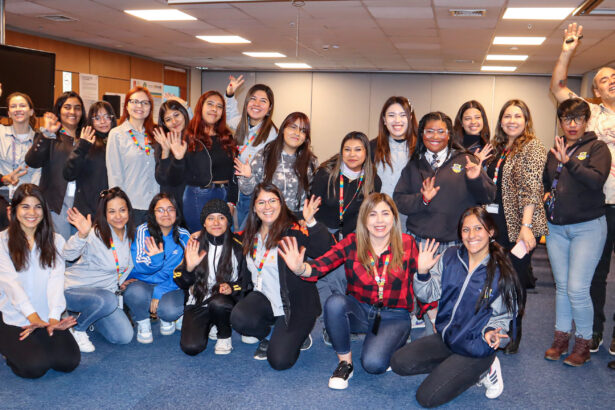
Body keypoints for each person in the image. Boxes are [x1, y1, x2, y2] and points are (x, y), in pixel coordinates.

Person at [279, 193, 418, 389]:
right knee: (335, 303)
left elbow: (420, 284)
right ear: (364, 219)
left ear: (394, 217)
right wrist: (300, 268)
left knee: (374, 365)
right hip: (361, 310)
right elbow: (323, 264)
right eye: (372, 214)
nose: (379, 220)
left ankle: (394, 339)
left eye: (385, 214)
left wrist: (425, 279)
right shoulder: (353, 242)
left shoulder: (407, 243)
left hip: (394, 315)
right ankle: (345, 363)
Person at [390, 207, 524, 407]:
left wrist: (491, 333)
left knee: (426, 398)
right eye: (466, 229)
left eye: (478, 228)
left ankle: (486, 367)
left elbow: (504, 317)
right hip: (448, 338)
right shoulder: (450, 256)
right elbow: (427, 294)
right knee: (399, 362)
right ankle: (456, 367)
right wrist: (423, 272)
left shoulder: (501, 271)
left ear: (490, 231)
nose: (471, 235)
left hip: (476, 346)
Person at [550, 22, 615, 357]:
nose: (611, 80)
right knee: (592, 279)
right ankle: (592, 336)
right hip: (602, 205)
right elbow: (558, 85)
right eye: (604, 79)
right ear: (596, 91)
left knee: (580, 283)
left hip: (591, 209)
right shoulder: (589, 115)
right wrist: (567, 49)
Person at [230, 183, 331, 370]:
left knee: (279, 361)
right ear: (254, 207)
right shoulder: (250, 235)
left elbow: (326, 250)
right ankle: (271, 334)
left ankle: (300, 334)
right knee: (239, 318)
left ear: (281, 203)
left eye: (272, 201)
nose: (267, 207)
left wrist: (311, 223)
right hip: (266, 299)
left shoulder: (294, 230)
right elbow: (226, 240)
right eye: (261, 202)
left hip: (295, 304)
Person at [543, 98, 611, 366]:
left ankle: (583, 342)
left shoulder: (597, 148)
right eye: (567, 119)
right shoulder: (554, 149)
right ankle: (561, 338)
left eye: (578, 119)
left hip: (588, 227)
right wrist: (547, 192)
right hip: (557, 228)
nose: (572, 125)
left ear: (586, 122)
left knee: (577, 288)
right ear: (560, 121)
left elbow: (596, 181)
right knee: (562, 287)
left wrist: (569, 162)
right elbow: (547, 182)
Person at [484, 99, 547, 354]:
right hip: (496, 224)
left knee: (516, 280)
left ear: (526, 120)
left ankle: (513, 333)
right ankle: (496, 328)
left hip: (520, 225)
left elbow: (531, 189)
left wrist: (526, 226)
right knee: (497, 279)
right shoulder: (499, 147)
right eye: (507, 116)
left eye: (517, 116)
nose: (512, 120)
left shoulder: (532, 147)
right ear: (501, 121)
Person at [0, 183, 80, 378]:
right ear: (13, 210)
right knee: (34, 367)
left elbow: (55, 283)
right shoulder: (2, 241)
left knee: (68, 361)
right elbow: (12, 286)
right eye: (25, 206)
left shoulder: (55, 241)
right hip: (15, 317)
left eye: (37, 206)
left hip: (45, 317)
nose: (32, 212)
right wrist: (33, 319)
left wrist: (53, 319)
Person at [310, 131, 381, 336]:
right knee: (323, 279)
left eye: (358, 150)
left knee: (342, 278)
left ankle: (337, 319)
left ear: (366, 153)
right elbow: (313, 207)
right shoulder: (326, 174)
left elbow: (369, 215)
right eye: (347, 149)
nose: (352, 154)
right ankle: (327, 324)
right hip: (323, 233)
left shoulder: (372, 180)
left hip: (352, 237)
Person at [393, 111, 495, 251]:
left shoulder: (466, 160)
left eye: (441, 131)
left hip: (456, 244)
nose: (435, 136)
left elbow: (489, 196)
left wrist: (475, 179)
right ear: (422, 134)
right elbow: (399, 200)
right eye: (429, 131)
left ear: (449, 135)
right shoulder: (414, 165)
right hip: (419, 243)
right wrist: (422, 199)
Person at [63, 187, 136, 352]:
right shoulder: (95, 233)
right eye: (112, 211)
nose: (118, 216)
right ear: (105, 214)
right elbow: (67, 255)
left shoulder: (131, 235)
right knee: (108, 300)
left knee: (123, 337)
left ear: (129, 212)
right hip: (73, 290)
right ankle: (78, 329)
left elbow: (123, 265)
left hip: (103, 295)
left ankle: (87, 315)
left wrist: (121, 281)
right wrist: (81, 235)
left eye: (122, 210)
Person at [174, 199, 244, 356]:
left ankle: (224, 334)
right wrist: (189, 269)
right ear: (204, 223)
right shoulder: (194, 244)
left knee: (219, 303)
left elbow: (246, 282)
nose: (216, 222)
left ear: (228, 221)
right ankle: (211, 322)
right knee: (191, 348)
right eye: (211, 218)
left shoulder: (238, 246)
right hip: (198, 301)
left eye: (221, 217)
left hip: (224, 302)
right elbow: (180, 281)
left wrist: (232, 287)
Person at [165, 91, 238, 233]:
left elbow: (234, 173)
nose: (214, 109)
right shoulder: (188, 137)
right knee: (200, 243)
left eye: (219, 106)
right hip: (198, 196)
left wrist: (232, 201)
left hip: (225, 194)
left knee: (223, 244)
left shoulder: (227, 137)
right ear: (201, 107)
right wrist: (178, 159)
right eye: (210, 104)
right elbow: (173, 179)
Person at [124, 193, 189, 343]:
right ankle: (143, 322)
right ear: (153, 213)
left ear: (176, 212)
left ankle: (167, 317)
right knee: (134, 292)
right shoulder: (142, 231)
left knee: (170, 311)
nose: (166, 214)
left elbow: (184, 273)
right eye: (160, 210)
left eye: (170, 209)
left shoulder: (184, 235)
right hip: (144, 284)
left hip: (170, 285)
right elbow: (140, 267)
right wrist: (156, 261)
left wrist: (160, 291)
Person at [25, 91, 87, 239]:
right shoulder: (51, 136)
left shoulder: (87, 137)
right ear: (59, 110)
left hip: (83, 203)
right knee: (59, 251)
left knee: (81, 250)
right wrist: (46, 134)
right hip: (57, 204)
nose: (72, 112)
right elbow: (32, 161)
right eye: (67, 107)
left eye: (77, 108)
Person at [235, 112, 318, 215]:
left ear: (306, 137)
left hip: (298, 220)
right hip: (268, 217)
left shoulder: (311, 161)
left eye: (303, 130)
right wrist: (247, 178)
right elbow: (248, 191)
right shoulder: (264, 156)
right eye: (293, 127)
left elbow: (313, 194)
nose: (297, 133)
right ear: (283, 129)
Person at [225, 75, 278, 229]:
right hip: (239, 193)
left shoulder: (272, 134)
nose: (256, 104)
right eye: (253, 99)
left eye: (263, 101)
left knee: (246, 236)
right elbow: (229, 115)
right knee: (237, 235)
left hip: (256, 194)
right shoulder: (242, 124)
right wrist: (229, 94)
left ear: (269, 108)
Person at [106, 86, 159, 226]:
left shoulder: (156, 134)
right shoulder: (117, 134)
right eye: (135, 101)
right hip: (131, 207)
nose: (139, 106)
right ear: (127, 106)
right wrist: (120, 207)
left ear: (150, 108)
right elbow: (114, 174)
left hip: (156, 207)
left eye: (145, 103)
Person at [63, 101, 116, 220]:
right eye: (97, 118)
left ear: (113, 119)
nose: (102, 122)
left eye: (107, 117)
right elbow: (69, 174)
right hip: (87, 212)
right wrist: (83, 145)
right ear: (91, 121)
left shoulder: (119, 141)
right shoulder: (86, 141)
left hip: (114, 210)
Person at [370, 96, 418, 229]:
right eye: (391, 115)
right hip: (379, 217)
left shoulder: (422, 148)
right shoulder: (372, 147)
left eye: (403, 115)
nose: (397, 120)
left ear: (410, 118)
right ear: (384, 120)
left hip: (411, 219)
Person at [152, 99, 191, 218]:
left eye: (176, 115)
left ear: (184, 114)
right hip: (171, 205)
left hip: (190, 202)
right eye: (168, 119)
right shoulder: (163, 141)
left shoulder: (195, 140)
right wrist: (165, 150)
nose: (174, 121)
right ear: (164, 124)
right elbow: (161, 179)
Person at [0, 90, 41, 201]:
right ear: (9, 113)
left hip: (29, 197)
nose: (18, 109)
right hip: (3, 194)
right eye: (13, 106)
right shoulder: (1, 132)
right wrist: (3, 179)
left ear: (31, 111)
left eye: (22, 105)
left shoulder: (40, 140)